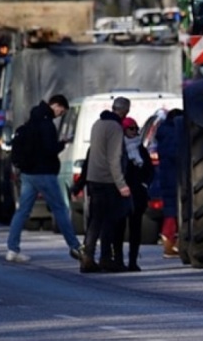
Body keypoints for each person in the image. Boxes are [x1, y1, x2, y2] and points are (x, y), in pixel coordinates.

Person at [6, 94, 83, 263]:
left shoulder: (31, 120)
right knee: (60, 210)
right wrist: (63, 144)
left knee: (22, 212)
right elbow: (50, 150)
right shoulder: (47, 124)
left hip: (28, 174)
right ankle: (75, 246)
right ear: (56, 105)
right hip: (45, 174)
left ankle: (12, 249)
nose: (59, 115)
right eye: (61, 112)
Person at [80, 96, 131, 273]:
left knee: (95, 221)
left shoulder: (97, 124)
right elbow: (114, 158)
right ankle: (105, 258)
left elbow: (93, 153)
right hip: (109, 180)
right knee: (110, 221)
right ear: (125, 111)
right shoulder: (115, 128)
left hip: (94, 179)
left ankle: (87, 256)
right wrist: (122, 184)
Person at [112, 117, 154, 271]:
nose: (135, 132)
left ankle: (133, 261)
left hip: (138, 194)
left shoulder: (140, 149)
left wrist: (144, 184)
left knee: (136, 228)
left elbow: (150, 169)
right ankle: (118, 260)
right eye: (131, 128)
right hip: (122, 193)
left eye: (136, 128)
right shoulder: (118, 148)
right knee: (119, 227)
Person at [155, 108, 183, 258]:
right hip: (175, 176)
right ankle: (170, 241)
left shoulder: (163, 132)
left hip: (165, 176)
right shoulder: (174, 133)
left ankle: (169, 241)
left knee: (170, 209)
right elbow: (175, 153)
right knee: (174, 211)